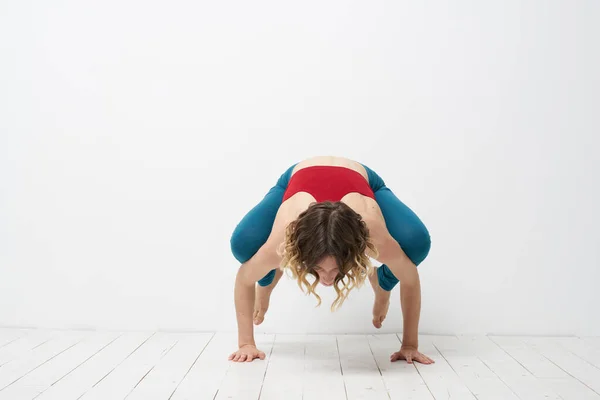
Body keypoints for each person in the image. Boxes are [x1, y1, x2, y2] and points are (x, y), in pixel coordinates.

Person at [229, 156, 434, 365]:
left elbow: (410, 277)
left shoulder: (373, 234)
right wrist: (246, 343)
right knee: (244, 245)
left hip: (358, 177)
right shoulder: (284, 238)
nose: (327, 280)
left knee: (416, 245)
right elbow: (244, 278)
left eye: (336, 269)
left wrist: (410, 344)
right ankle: (267, 280)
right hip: (301, 175)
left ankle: (383, 282)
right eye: (318, 269)